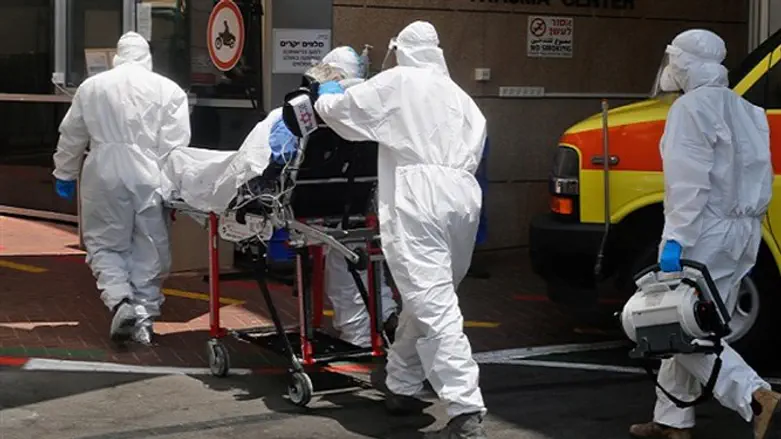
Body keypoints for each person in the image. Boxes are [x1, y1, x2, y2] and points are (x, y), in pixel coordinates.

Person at [313, 21, 488, 438]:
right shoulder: (462, 98)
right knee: (427, 296)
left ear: (402, 50)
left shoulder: (399, 81)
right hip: (463, 197)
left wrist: (327, 94)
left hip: (419, 197)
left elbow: (342, 114)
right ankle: (402, 384)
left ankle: (466, 409)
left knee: (434, 303)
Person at [630, 29, 780, 439]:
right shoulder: (748, 110)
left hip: (703, 231)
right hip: (743, 232)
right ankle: (671, 421)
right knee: (699, 324)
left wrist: (676, 239)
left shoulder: (690, 109)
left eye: (674, 59)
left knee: (676, 330)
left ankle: (753, 394)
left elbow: (688, 184)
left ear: (686, 64)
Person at [52, 32, 191, 347]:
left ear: (118, 55)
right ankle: (143, 316)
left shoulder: (93, 87)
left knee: (104, 243)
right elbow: (175, 147)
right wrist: (174, 188)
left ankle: (120, 302)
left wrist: (64, 172)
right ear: (147, 56)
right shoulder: (168, 90)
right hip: (148, 173)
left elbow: (72, 134)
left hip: (102, 171)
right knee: (150, 245)